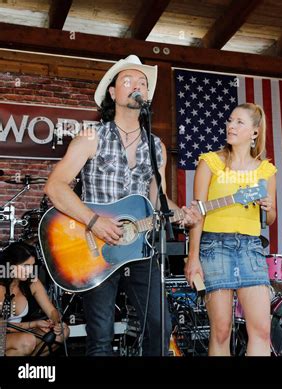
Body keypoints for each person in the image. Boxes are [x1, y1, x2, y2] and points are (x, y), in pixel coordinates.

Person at [44, 54, 200, 356]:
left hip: (139, 248)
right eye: (127, 81)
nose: (136, 85)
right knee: (100, 337)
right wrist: (94, 221)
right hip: (95, 249)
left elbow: (158, 200)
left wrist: (181, 214)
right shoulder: (92, 137)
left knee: (160, 325)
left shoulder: (156, 146)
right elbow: (55, 186)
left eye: (142, 82)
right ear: (113, 93)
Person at [184, 103, 277, 356]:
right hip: (214, 246)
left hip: (250, 246)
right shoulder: (210, 162)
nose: (231, 126)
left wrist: (268, 208)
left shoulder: (266, 170)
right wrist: (193, 258)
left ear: (254, 132)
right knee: (221, 330)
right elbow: (196, 215)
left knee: (261, 329)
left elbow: (270, 219)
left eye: (239, 122)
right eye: (230, 120)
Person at [0, 242, 69, 356]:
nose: (30, 271)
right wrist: (34, 324)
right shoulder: (1, 287)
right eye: (25, 266)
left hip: (18, 334)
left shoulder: (31, 281)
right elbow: (3, 327)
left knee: (62, 332)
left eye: (32, 266)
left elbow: (51, 311)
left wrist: (57, 322)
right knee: (27, 341)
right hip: (2, 336)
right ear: (10, 265)